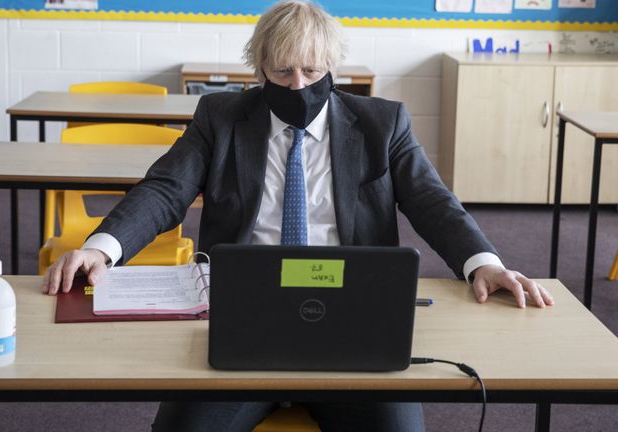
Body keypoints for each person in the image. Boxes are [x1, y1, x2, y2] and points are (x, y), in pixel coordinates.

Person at [44, 1, 554, 430]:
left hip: (353, 318)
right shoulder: (219, 118)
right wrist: (101, 246)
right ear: (259, 66)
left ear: (332, 66)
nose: (297, 84)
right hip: (243, 315)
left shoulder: (383, 123)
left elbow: (431, 199)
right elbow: (164, 190)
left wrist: (482, 262)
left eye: (312, 72)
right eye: (282, 71)